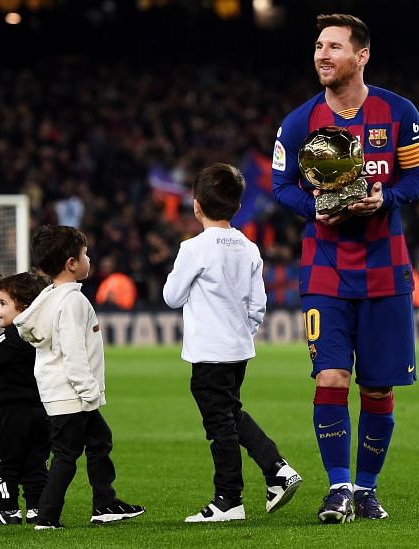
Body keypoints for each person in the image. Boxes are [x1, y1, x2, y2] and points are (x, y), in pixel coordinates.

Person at [271, 14, 419, 523]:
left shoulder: (399, 113)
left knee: (377, 386)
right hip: (326, 270)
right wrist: (311, 208)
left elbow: (418, 176)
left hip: (386, 267)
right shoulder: (298, 123)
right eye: (318, 46)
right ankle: (337, 488)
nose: (322, 54)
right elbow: (281, 187)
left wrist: (387, 197)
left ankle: (367, 489)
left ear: (360, 56)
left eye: (334, 46)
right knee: (332, 376)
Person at [163, 163, 302, 523]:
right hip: (239, 349)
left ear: (196, 206)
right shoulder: (249, 248)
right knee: (229, 413)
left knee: (219, 425)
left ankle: (229, 499)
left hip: (208, 352)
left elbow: (172, 297)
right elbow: (259, 305)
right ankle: (277, 470)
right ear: (238, 207)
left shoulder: (194, 248)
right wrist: (242, 329)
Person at [14, 225, 145, 530]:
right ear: (71, 263)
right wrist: (89, 393)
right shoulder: (73, 302)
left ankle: (105, 503)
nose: (89, 259)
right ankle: (47, 516)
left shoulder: (51, 298)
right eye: (85, 254)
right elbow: (73, 353)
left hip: (62, 393)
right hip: (73, 396)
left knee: (99, 440)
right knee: (66, 456)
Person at [0, 272, 51, 526]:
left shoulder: (4, 341)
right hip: (42, 413)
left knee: (2, 462)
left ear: (25, 308)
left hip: (8, 415)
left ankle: (8, 510)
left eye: (3, 303)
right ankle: (35, 508)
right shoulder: (43, 339)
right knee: (36, 463)